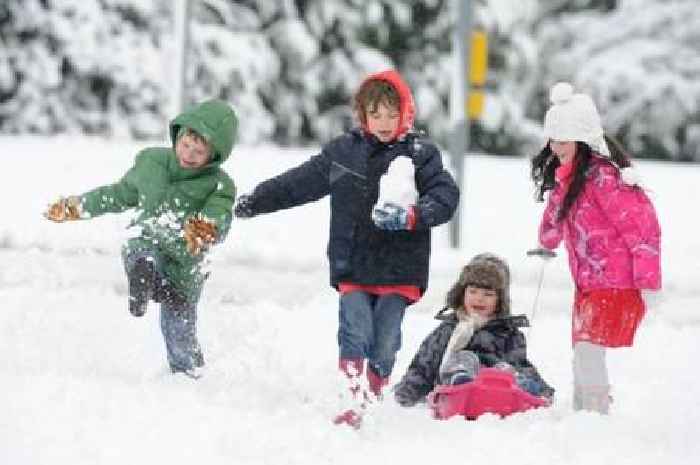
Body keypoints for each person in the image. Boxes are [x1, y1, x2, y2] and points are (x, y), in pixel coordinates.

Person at [233, 70, 459, 427]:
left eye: (391, 113)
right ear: (363, 115)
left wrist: (415, 215)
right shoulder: (344, 153)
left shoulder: (421, 155)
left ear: (406, 113)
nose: (384, 122)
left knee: (384, 341)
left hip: (400, 268)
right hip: (353, 262)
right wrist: (257, 200)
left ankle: (373, 387)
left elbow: (445, 195)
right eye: (375, 114)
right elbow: (299, 182)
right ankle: (352, 398)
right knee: (354, 330)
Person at [44, 99, 238, 379]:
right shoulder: (151, 162)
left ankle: (190, 376)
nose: (189, 154)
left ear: (214, 156)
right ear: (178, 135)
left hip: (185, 264)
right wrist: (76, 206)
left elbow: (220, 214)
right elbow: (118, 194)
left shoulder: (219, 185)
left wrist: (206, 228)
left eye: (199, 151)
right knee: (139, 247)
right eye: (186, 144)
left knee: (178, 333)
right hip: (148, 241)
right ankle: (144, 278)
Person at [530, 82, 661, 414]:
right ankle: (583, 412)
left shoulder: (605, 179)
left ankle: (594, 416)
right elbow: (556, 215)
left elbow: (642, 228)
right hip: (589, 282)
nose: (554, 146)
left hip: (616, 281)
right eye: (553, 139)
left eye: (562, 140)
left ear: (582, 140)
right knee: (582, 348)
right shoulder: (570, 177)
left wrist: (648, 281)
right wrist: (546, 242)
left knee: (588, 347)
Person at [394, 253, 554, 407]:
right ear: (461, 294)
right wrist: (406, 393)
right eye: (473, 291)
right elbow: (424, 365)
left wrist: (540, 389)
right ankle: (461, 378)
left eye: (488, 294)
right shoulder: (448, 330)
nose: (479, 298)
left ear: (500, 301)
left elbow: (520, 363)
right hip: (455, 392)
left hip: (497, 390)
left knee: (505, 370)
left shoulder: (508, 333)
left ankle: (513, 385)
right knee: (464, 359)